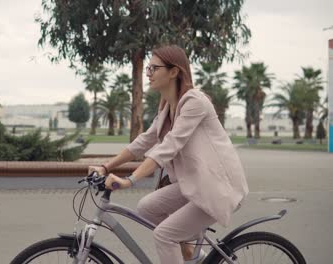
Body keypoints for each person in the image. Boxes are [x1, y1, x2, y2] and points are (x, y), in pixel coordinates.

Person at [88, 45, 249, 264]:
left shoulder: (194, 102)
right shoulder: (166, 107)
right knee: (147, 208)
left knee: (164, 235)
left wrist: (130, 180)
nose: (148, 73)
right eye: (148, 68)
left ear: (174, 71)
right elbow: (143, 141)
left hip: (215, 187)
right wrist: (106, 167)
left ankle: (188, 252)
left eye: (154, 68)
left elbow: (169, 147)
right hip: (192, 183)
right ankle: (194, 255)